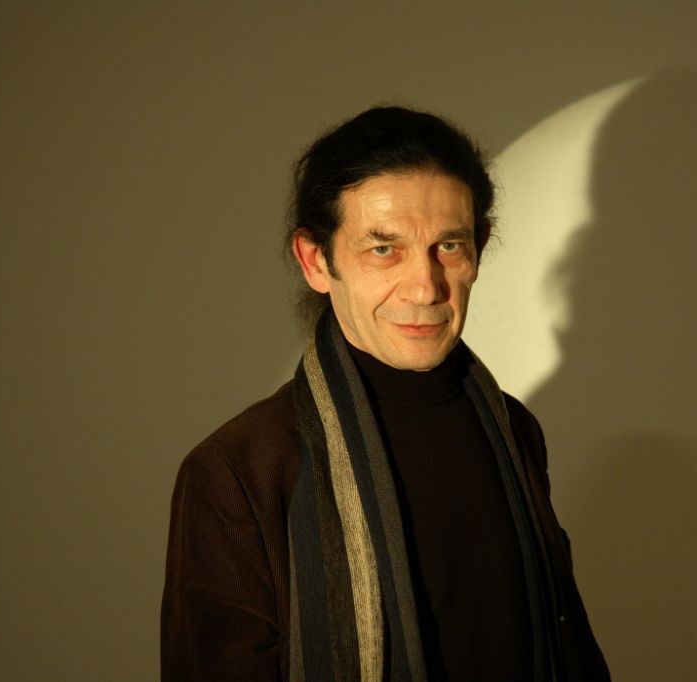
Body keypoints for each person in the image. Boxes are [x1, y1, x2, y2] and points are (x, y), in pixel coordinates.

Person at [161, 106, 609, 681]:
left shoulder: (513, 429)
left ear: (478, 249)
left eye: (449, 246)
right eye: (383, 249)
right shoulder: (238, 469)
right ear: (315, 260)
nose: (425, 288)